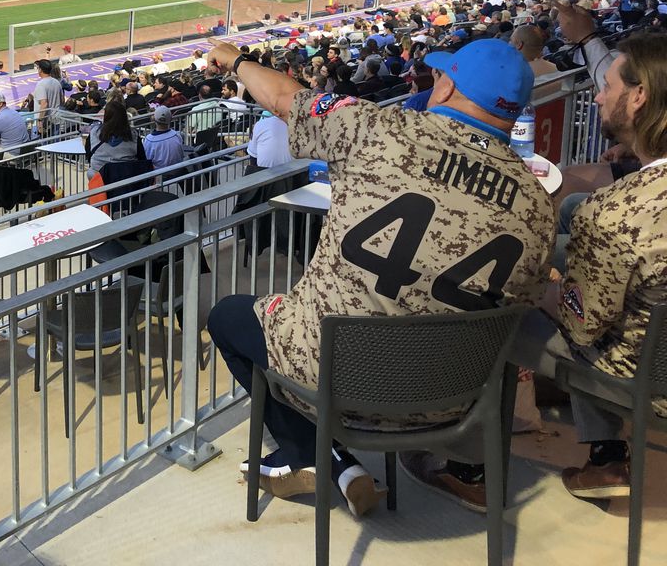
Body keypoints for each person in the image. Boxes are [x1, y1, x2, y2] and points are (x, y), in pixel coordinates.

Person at [204, 37, 554, 516]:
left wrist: (238, 61)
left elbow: (285, 98)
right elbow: (522, 308)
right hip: (450, 398)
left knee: (228, 315)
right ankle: (340, 461)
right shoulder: (537, 205)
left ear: (448, 86)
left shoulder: (378, 128)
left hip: (334, 377)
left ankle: (309, 452)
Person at [500, 32, 667, 503]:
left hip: (646, 379)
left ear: (639, 98)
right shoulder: (613, 208)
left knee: (501, 312)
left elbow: (582, 324)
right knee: (569, 228)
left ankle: (465, 465)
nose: (597, 94)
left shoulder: (613, 214)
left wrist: (539, 284)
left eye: (608, 86)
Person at [87, 100, 139, 178]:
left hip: (99, 177)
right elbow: (141, 156)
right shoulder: (133, 134)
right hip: (125, 177)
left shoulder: (95, 131)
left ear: (106, 116)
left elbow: (89, 153)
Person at [142, 105, 186, 172]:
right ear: (171, 119)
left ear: (154, 119)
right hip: (178, 174)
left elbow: (147, 162)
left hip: (160, 177)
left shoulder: (149, 140)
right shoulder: (177, 135)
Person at [32, 59, 64, 135]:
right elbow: (62, 100)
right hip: (56, 119)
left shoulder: (41, 84)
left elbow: (44, 104)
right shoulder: (57, 82)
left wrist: (40, 121)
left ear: (40, 70)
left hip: (45, 123)